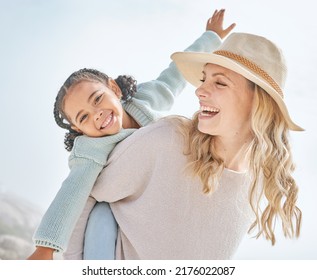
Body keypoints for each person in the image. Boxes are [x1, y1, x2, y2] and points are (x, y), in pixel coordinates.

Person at [65, 30, 303, 260]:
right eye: (203, 79)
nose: (199, 90)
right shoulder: (166, 140)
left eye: (219, 83)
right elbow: (82, 196)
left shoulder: (254, 184)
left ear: (258, 101)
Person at [27, 9, 235, 260]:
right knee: (100, 215)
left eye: (97, 99)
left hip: (157, 202)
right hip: (117, 218)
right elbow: (70, 194)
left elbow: (174, 75)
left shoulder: (144, 101)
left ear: (114, 88)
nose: (97, 115)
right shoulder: (90, 149)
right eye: (83, 118)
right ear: (78, 130)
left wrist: (211, 37)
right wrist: (45, 248)